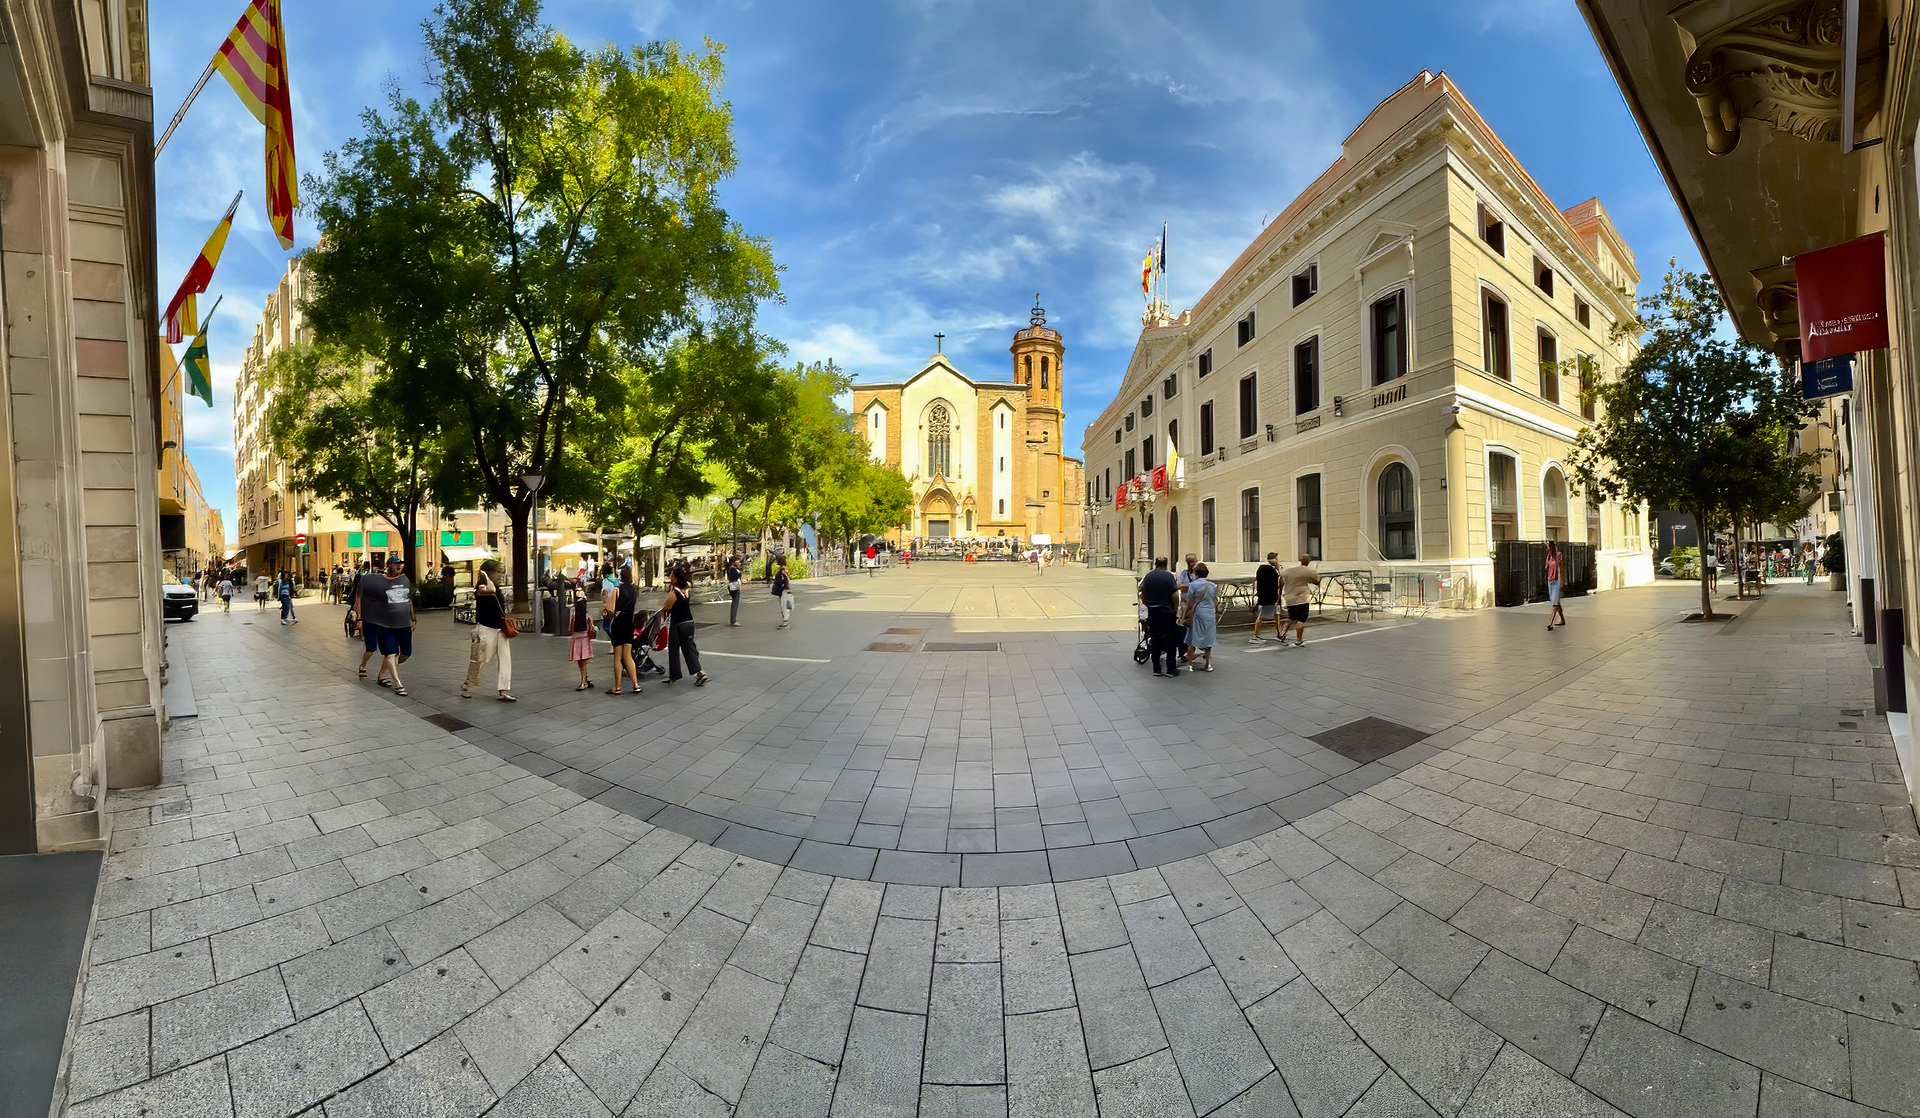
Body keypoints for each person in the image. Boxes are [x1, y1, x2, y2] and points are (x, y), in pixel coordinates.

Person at [355, 555, 416, 696]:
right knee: (390, 653)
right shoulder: (374, 581)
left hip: (403, 622)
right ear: (388, 566)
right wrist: (360, 617)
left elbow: (408, 599)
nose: (399, 567)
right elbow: (361, 598)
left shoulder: (404, 580)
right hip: (384, 622)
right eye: (396, 564)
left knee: (405, 653)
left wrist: (412, 617)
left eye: (400, 564)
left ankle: (382, 675)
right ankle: (397, 683)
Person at [462, 559, 514, 702]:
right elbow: (489, 591)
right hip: (486, 627)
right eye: (497, 571)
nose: (499, 574)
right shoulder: (482, 586)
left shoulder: (495, 586)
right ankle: (467, 685)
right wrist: (484, 576)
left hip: (500, 627)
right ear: (489, 572)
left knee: (505, 659)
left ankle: (503, 690)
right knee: (481, 660)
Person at [663, 567, 710, 686]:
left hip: (677, 623)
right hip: (689, 622)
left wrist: (660, 615)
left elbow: (666, 607)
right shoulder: (686, 589)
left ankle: (675, 675)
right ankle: (699, 672)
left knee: (674, 649)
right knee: (689, 648)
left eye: (671, 576)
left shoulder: (674, 593)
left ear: (675, 578)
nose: (670, 578)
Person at [1139, 557, 1182, 677]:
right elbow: (1174, 594)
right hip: (1166, 611)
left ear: (1155, 564)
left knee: (1155, 639)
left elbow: (1142, 594)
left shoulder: (1148, 576)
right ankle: (1171, 668)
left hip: (1153, 612)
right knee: (1171, 640)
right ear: (1166, 564)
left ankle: (1156, 668)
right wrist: (1175, 609)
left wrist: (1149, 605)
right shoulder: (1169, 576)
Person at [606, 566, 642, 695]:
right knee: (628, 655)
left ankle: (617, 687)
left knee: (617, 656)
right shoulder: (634, 590)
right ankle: (636, 684)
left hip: (619, 622)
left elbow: (610, 609)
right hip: (629, 623)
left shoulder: (617, 590)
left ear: (620, 577)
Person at [1280, 555, 1320, 647]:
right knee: (1301, 620)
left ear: (1300, 560)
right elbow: (1316, 581)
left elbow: (1281, 579)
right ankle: (1299, 639)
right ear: (1309, 561)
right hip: (1301, 598)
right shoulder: (1309, 571)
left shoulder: (1289, 571)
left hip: (1289, 597)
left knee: (1292, 618)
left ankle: (1282, 635)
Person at [1186, 562, 1219, 671]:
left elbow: (1190, 600)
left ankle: (1190, 664)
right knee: (1209, 639)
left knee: (1193, 638)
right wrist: (1215, 611)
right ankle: (1207, 664)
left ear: (1196, 573)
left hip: (1198, 612)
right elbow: (1215, 601)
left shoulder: (1193, 585)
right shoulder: (1212, 586)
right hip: (1209, 613)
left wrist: (1186, 613)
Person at [1251, 552, 1281, 644]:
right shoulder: (1270, 570)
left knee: (1276, 615)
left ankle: (1279, 633)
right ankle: (1255, 636)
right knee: (1262, 616)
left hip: (1267, 596)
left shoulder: (1262, 568)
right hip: (1269, 597)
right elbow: (1279, 579)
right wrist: (1278, 569)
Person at [566, 597, 595, 691]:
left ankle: (584, 681)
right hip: (585, 640)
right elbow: (591, 630)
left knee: (580, 662)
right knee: (583, 663)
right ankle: (584, 680)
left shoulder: (573, 617)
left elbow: (570, 630)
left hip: (576, 641)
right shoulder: (588, 617)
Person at [1545, 540, 1567, 630]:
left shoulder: (1558, 555)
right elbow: (1547, 568)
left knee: (1555, 604)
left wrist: (1562, 580)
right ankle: (1562, 620)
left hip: (1556, 581)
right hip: (1550, 581)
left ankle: (1550, 623)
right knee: (1556, 602)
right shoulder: (1549, 557)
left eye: (1549, 546)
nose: (1548, 548)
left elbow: (1562, 567)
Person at [773, 555, 793, 629]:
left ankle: (786, 622)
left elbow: (785, 580)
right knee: (784, 605)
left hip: (784, 590)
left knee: (784, 606)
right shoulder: (784, 570)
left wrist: (788, 588)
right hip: (784, 590)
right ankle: (785, 621)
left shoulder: (783, 571)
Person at [725, 554, 743, 626]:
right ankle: (733, 620)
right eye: (737, 561)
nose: (739, 563)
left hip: (734, 586)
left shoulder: (732, 568)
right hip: (734, 587)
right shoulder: (732, 569)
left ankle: (733, 619)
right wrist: (738, 574)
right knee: (735, 603)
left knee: (735, 603)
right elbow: (732, 577)